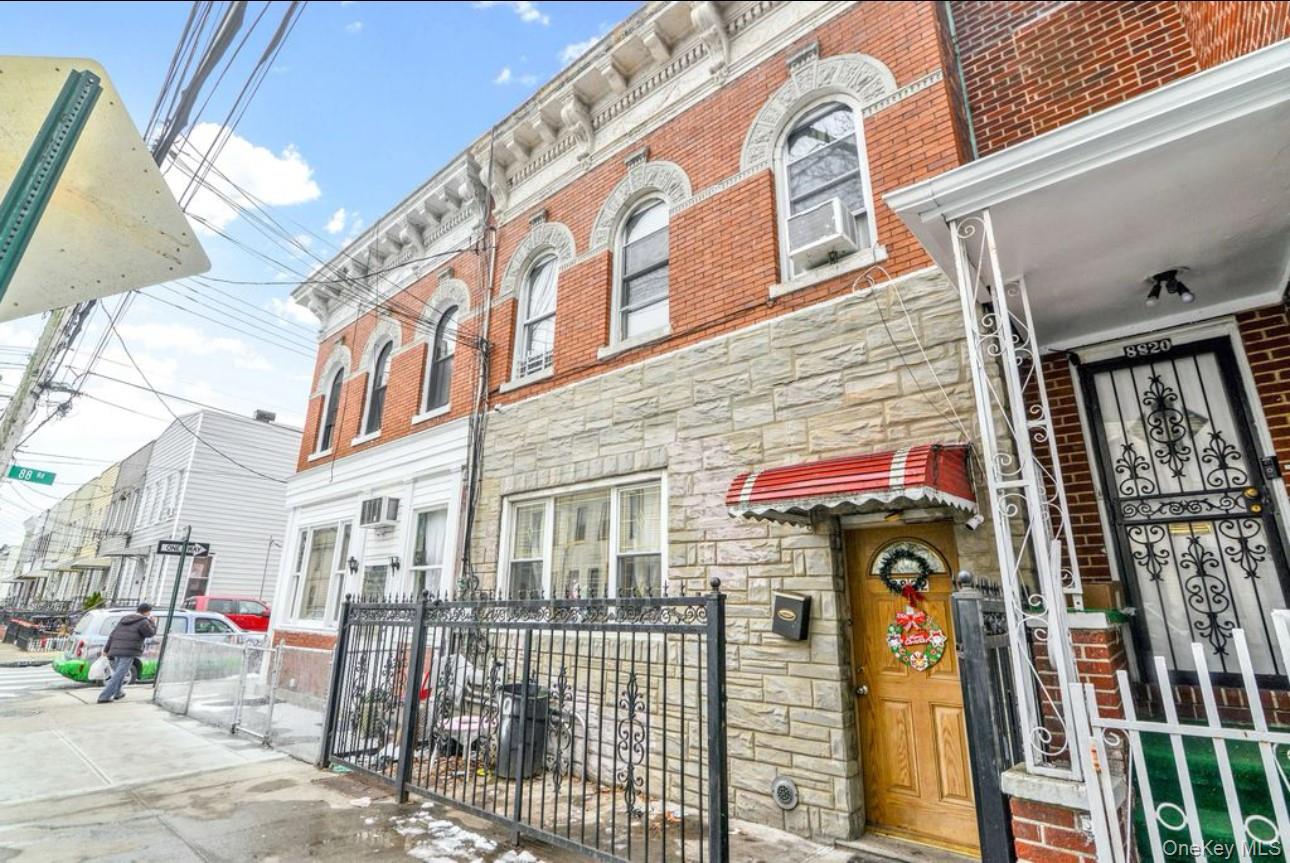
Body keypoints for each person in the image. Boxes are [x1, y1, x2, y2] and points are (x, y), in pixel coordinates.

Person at [97, 603, 157, 704]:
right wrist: (153, 622)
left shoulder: (124, 619)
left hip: (115, 649)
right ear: (147, 612)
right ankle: (104, 696)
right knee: (119, 674)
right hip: (128, 651)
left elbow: (113, 634)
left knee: (120, 673)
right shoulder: (143, 621)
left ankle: (118, 693)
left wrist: (106, 649)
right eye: (149, 611)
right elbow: (150, 633)